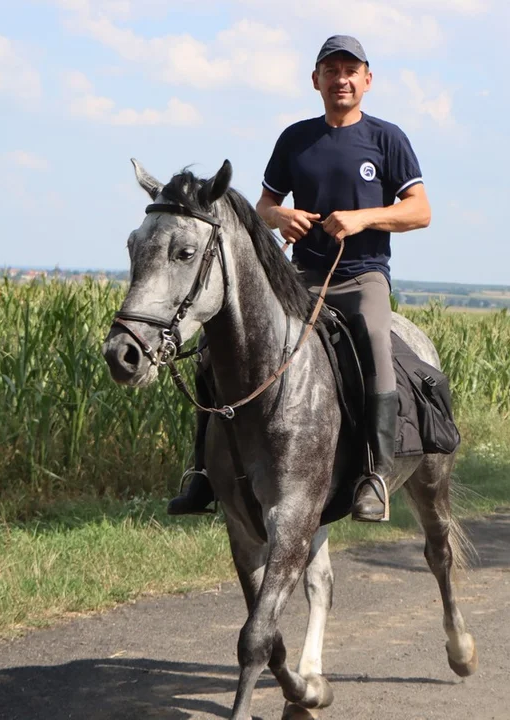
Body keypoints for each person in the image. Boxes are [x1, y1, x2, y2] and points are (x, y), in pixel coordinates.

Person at [167, 34, 431, 522]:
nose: (342, 79)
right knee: (212, 349)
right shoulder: (295, 138)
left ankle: (375, 474)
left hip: (360, 277)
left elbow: (420, 211)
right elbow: (264, 206)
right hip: (298, 277)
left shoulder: (387, 138)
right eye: (331, 71)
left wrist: (362, 219)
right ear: (316, 81)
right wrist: (280, 217)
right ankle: (202, 471)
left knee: (374, 339)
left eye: (351, 71)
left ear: (367, 80)